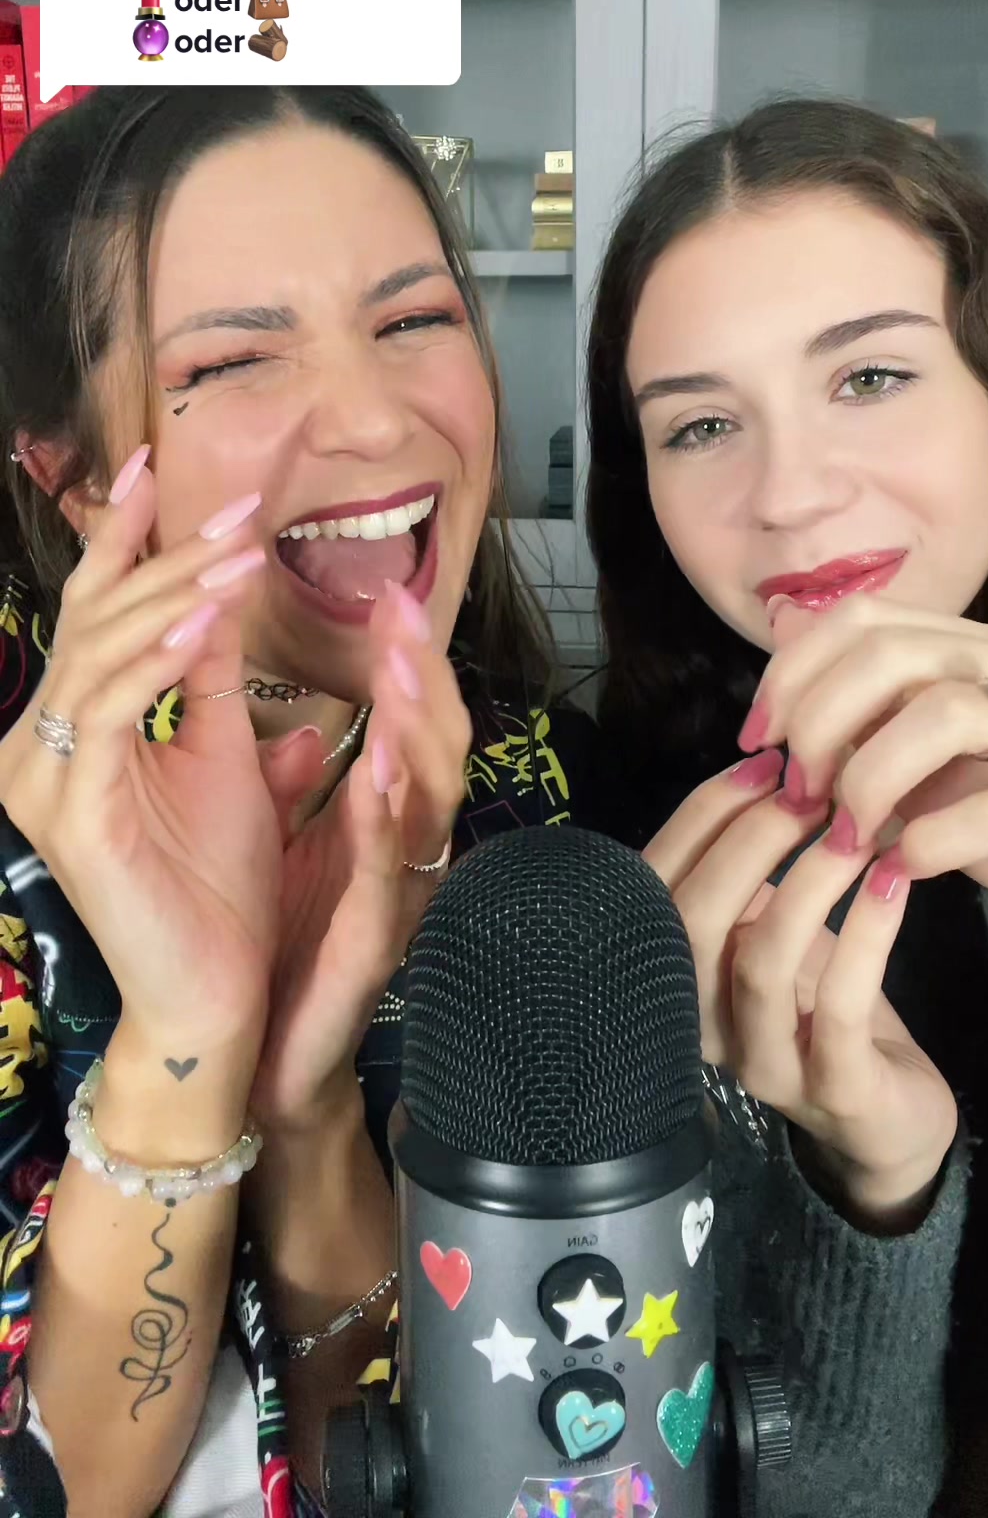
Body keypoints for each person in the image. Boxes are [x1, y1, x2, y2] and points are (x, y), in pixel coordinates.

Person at [0, 86, 595, 1518]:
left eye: (415, 320)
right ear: (75, 479)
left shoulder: (560, 816)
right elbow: (67, 1491)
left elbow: (483, 1460)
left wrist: (307, 1108)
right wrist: (185, 1038)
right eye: (235, 360)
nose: (379, 419)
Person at [585, 98, 988, 1518]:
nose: (790, 497)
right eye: (702, 425)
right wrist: (872, 1185)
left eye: (869, 376)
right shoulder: (644, 857)